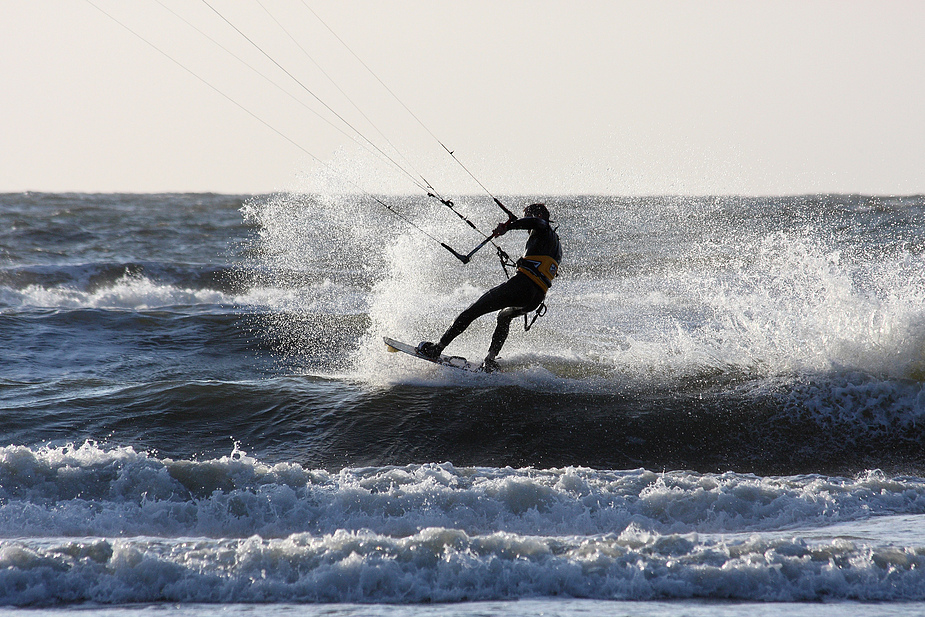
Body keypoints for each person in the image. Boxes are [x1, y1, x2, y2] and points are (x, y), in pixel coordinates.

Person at [417, 202, 562, 372]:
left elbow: (536, 223)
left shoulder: (542, 226)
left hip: (522, 286)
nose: (525, 221)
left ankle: (437, 348)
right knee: (504, 316)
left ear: (537, 216)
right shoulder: (556, 246)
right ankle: (490, 360)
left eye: (527, 216)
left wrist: (509, 227)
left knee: (472, 311)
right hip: (535, 299)